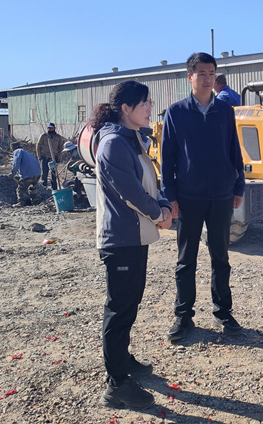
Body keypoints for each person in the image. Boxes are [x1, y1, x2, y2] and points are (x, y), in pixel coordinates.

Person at [91, 81, 173, 410]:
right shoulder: (113, 143)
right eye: (144, 103)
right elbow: (131, 192)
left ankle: (122, 359)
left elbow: (150, 181)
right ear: (126, 108)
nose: (150, 108)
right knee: (120, 309)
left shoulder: (133, 138)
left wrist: (163, 203)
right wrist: (159, 214)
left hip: (136, 237)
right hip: (121, 239)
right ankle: (117, 384)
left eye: (150, 102)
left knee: (130, 304)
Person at [161, 52, 245, 342]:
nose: (208, 78)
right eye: (202, 73)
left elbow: (234, 150)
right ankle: (184, 315)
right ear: (190, 77)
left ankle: (223, 312)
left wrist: (238, 186)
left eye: (211, 73)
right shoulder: (177, 112)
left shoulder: (225, 111)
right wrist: (170, 196)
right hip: (189, 197)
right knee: (186, 259)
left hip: (221, 195)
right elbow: (167, 158)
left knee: (220, 256)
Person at [8, 141, 41, 206]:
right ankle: (35, 201)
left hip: (27, 175)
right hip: (37, 174)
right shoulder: (29, 153)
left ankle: (21, 202)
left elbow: (16, 162)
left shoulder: (18, 151)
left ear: (13, 149)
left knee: (20, 189)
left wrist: (13, 172)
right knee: (32, 187)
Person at [36, 122, 65, 190]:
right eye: (49, 128)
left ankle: (54, 189)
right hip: (44, 157)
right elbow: (38, 146)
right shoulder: (44, 136)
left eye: (52, 128)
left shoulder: (58, 137)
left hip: (53, 158)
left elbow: (60, 148)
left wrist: (59, 158)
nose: (50, 129)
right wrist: (39, 157)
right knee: (44, 174)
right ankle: (44, 189)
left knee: (53, 175)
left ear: (54, 128)